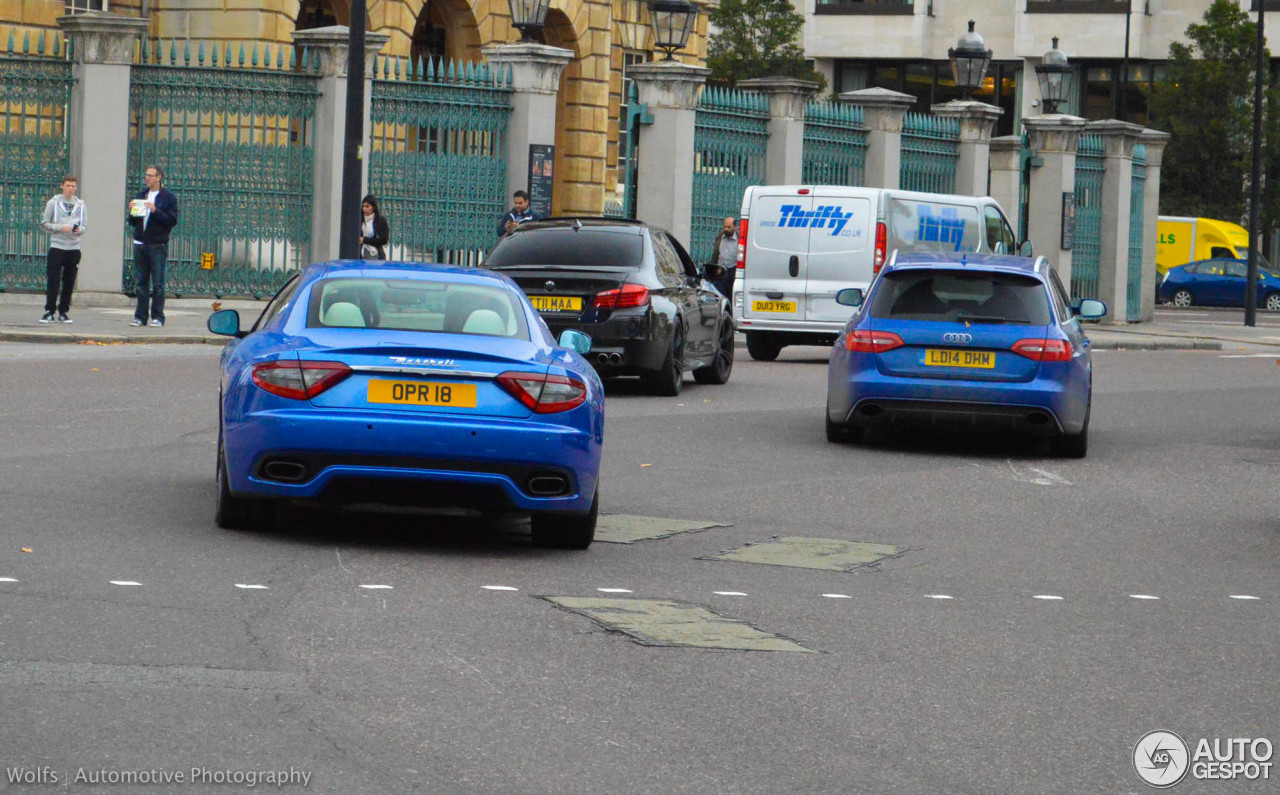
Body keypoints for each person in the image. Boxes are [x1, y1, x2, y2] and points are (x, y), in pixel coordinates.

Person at [127, 165, 179, 327]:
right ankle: (140, 316)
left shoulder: (168, 198)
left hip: (157, 244)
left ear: (159, 177)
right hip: (140, 242)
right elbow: (133, 222)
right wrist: (132, 211)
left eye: (150, 175)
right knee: (141, 282)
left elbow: (171, 221)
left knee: (158, 283)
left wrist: (155, 210)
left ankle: (158, 316)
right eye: (146, 175)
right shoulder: (142, 195)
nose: (147, 178)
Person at [39, 175, 86, 324]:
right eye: (68, 186)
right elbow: (44, 224)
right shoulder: (53, 203)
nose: (70, 189)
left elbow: (85, 225)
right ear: (62, 186)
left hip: (74, 248)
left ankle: (64, 311)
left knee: (69, 281)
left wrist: (79, 229)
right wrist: (60, 228)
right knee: (53, 280)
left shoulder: (81, 205)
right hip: (57, 246)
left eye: (73, 186)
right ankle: (49, 311)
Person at [710, 216, 738, 299]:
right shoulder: (720, 237)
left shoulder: (739, 240)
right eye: (724, 227)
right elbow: (715, 254)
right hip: (720, 273)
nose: (726, 229)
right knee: (718, 297)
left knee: (731, 298)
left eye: (729, 227)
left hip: (732, 273)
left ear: (734, 227)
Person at [359, 194, 389, 259]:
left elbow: (384, 240)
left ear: (373, 207)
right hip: (361, 254)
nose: (365, 209)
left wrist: (365, 240)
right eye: (363, 206)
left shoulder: (380, 220)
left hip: (374, 254)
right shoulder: (360, 220)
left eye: (367, 206)